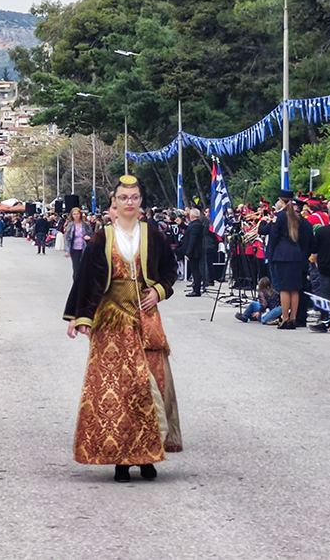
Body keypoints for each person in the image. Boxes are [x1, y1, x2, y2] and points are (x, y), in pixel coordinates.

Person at [64, 175, 181, 483]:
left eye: (134, 197)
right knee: (118, 391)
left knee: (148, 387)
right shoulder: (101, 239)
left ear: (141, 201)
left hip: (146, 321)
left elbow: (171, 271)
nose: (129, 202)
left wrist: (159, 291)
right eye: (123, 197)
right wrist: (80, 317)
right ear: (114, 202)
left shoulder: (154, 235)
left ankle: (148, 456)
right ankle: (121, 460)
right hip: (111, 321)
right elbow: (86, 279)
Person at [262, 190, 314, 329]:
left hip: (282, 255)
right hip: (296, 255)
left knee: (285, 289)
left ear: (281, 200)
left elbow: (274, 238)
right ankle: (293, 318)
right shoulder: (297, 218)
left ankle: (285, 318)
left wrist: (270, 256)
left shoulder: (279, 217)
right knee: (294, 289)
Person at [62, 208, 92, 281]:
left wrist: (89, 237)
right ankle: (76, 284)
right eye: (74, 214)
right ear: (72, 215)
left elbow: (91, 234)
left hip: (84, 248)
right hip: (74, 249)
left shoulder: (86, 224)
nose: (76, 216)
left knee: (84, 268)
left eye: (77, 214)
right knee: (76, 269)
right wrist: (67, 250)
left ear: (80, 214)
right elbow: (67, 238)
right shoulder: (70, 225)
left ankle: (83, 284)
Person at [183, 209, 207, 296]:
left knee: (195, 271)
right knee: (195, 270)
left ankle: (196, 289)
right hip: (195, 251)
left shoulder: (195, 225)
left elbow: (192, 240)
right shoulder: (195, 224)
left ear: (192, 216)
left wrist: (188, 253)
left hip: (195, 252)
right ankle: (196, 287)